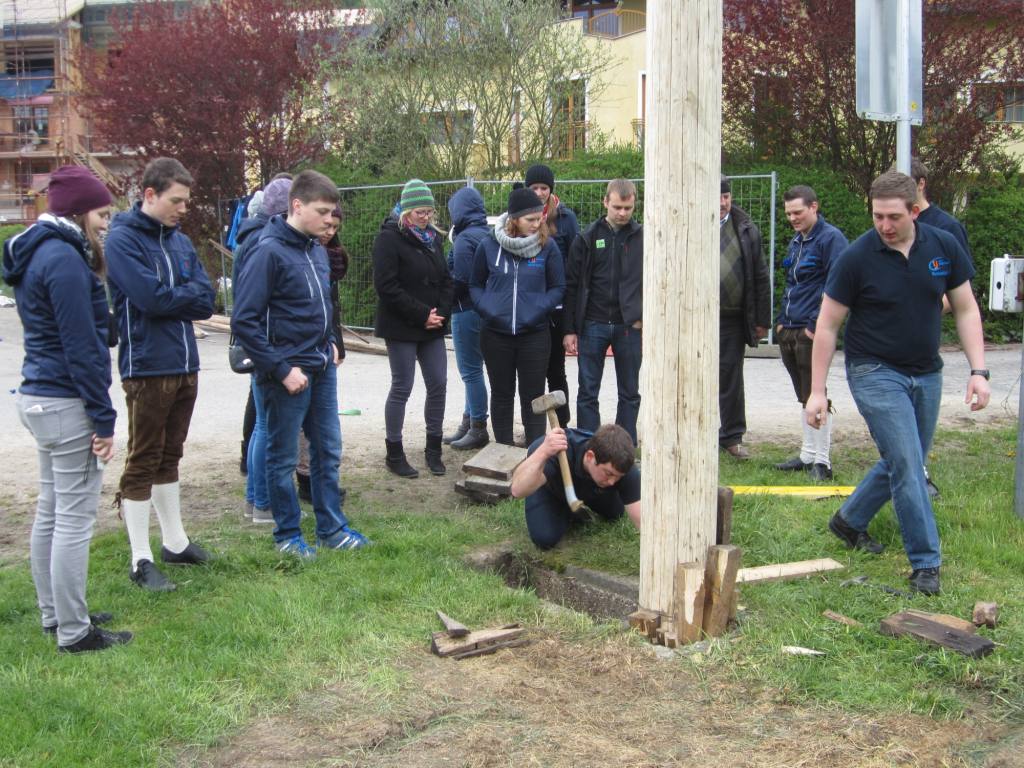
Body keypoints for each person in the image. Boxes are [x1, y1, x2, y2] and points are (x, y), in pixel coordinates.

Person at [806, 170, 990, 596]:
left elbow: (965, 308)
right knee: (909, 463)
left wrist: (978, 371)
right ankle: (926, 564)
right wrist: (817, 391)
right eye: (877, 216)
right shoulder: (856, 257)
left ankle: (849, 520)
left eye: (894, 217)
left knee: (905, 457)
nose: (885, 226)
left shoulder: (943, 246)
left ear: (915, 211)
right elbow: (828, 325)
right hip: (874, 371)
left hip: (926, 372)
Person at [3, 166, 133, 652]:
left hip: (39, 396)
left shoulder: (39, 251)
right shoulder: (63, 260)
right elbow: (82, 347)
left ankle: (55, 614)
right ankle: (75, 632)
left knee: (52, 513)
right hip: (65, 402)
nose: (106, 223)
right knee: (73, 521)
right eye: (101, 214)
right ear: (78, 213)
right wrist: (103, 418)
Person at [232, 169, 368, 558]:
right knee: (282, 458)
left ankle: (332, 529)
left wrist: (332, 342)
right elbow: (244, 321)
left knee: (327, 451)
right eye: (322, 212)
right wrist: (281, 369)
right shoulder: (267, 252)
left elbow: (323, 305)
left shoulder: (315, 251)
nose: (329, 220)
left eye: (332, 212)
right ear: (296, 205)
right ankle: (288, 536)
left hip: (321, 368)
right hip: (286, 374)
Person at [106, 157, 216, 591]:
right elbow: (149, 300)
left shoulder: (180, 241)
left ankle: (175, 542)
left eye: (187, 201)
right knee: (144, 457)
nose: (183, 209)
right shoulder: (122, 240)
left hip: (185, 362)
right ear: (150, 194)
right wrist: (178, 297)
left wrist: (175, 296)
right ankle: (140, 558)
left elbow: (206, 300)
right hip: (148, 366)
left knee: (171, 454)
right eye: (177, 200)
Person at [470, 186, 565, 446]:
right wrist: (488, 309)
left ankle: (534, 453)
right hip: (495, 335)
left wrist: (537, 309)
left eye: (539, 218)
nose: (537, 223)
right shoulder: (488, 245)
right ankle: (503, 452)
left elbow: (558, 287)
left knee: (532, 397)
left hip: (534, 335)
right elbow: (474, 285)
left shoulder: (548, 247)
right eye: (530, 219)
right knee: (501, 395)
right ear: (514, 219)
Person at [372, 179, 453, 478]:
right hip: (402, 325)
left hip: (432, 326)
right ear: (406, 211)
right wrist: (422, 315)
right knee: (402, 386)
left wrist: (441, 313)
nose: (425, 217)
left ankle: (434, 449)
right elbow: (386, 286)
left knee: (438, 383)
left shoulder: (433, 239)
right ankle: (394, 452)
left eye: (429, 212)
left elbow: (446, 280)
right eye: (420, 212)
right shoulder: (388, 239)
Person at [774, 185, 848, 481]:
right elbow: (792, 284)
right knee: (803, 394)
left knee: (817, 392)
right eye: (788, 214)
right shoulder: (797, 241)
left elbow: (837, 285)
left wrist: (814, 326)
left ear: (814, 207)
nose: (793, 218)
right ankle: (807, 455)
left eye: (798, 212)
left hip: (811, 329)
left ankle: (822, 461)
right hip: (789, 327)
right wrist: (781, 323)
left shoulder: (831, 239)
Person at [562, 179, 643, 443]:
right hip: (592, 323)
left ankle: (624, 446)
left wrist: (643, 317)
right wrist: (570, 329)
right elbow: (572, 286)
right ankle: (588, 444)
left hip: (629, 325)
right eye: (617, 207)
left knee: (629, 391)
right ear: (605, 202)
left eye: (628, 208)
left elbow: (654, 281)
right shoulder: (587, 238)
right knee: (587, 391)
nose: (622, 213)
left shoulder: (644, 238)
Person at [910, 157, 969, 499]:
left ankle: (920, 472)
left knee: (920, 401)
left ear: (921, 184)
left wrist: (926, 309)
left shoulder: (947, 227)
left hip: (925, 328)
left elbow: (958, 289)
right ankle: (909, 468)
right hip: (890, 333)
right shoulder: (891, 223)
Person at [234, 176, 292, 524]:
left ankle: (255, 500)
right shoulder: (263, 242)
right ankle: (263, 504)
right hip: (268, 345)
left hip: (262, 344)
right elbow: (252, 306)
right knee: (268, 428)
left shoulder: (251, 237)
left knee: (261, 425)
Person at [511, 424, 641, 550]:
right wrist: (543, 452)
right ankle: (568, 511)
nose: (612, 482)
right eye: (608, 474)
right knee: (545, 537)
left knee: (616, 513)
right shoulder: (554, 453)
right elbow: (517, 490)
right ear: (590, 457)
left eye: (618, 477)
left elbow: (641, 521)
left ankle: (577, 506)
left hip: (594, 489)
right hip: (553, 490)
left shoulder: (623, 466)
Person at [296, 205, 349, 499]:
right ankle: (305, 479)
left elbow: (330, 307)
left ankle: (324, 486)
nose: (330, 232)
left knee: (326, 426)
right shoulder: (299, 253)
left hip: (326, 345)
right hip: (300, 351)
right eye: (327, 225)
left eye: (335, 227)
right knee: (301, 425)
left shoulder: (330, 256)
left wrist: (335, 342)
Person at [718, 177, 771, 459]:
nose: (722, 202)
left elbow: (760, 275)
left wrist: (762, 319)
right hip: (695, 316)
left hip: (732, 318)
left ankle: (732, 436)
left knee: (731, 378)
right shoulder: (691, 223)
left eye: (726, 197)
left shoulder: (746, 228)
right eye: (717, 197)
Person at [526, 163, 579, 428]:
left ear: (551, 189)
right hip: (531, 306)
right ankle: (535, 429)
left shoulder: (566, 218)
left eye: (544, 188)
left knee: (557, 372)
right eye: (534, 188)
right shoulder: (521, 217)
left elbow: (575, 263)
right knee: (533, 373)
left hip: (557, 307)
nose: (539, 193)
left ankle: (562, 427)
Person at [444, 186, 491, 450]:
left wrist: (442, 299)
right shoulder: (487, 234)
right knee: (474, 370)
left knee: (470, 371)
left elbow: (460, 280)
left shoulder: (464, 239)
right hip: (484, 310)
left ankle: (478, 428)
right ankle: (468, 422)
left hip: (464, 310)